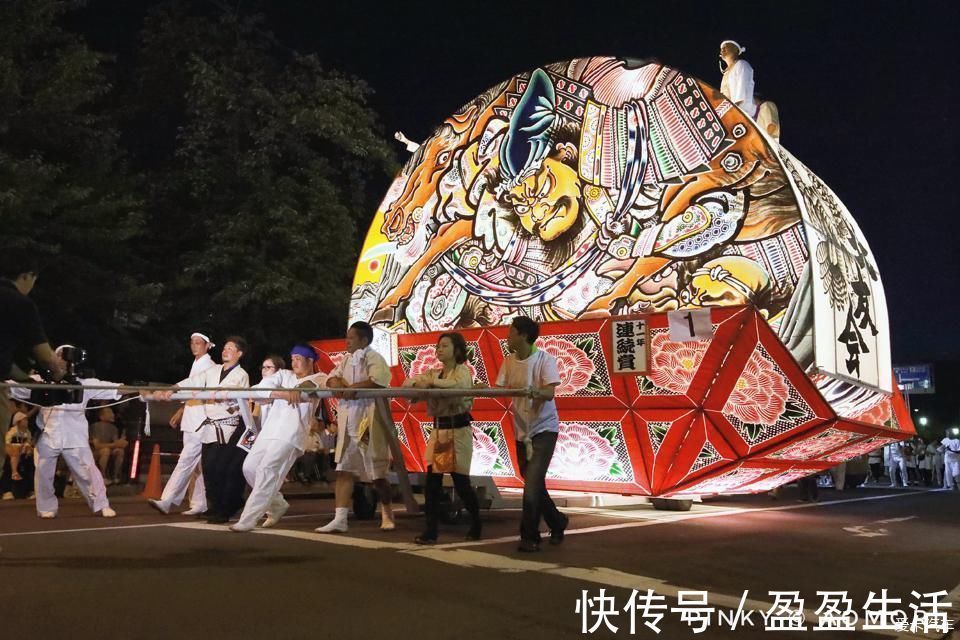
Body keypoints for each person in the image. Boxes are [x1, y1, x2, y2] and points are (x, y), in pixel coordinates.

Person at [150, 336, 250, 524]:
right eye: (224, 347)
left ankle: (224, 508)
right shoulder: (213, 370)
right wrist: (172, 389)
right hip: (210, 425)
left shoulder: (241, 375)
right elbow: (192, 381)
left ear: (239, 353)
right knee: (209, 468)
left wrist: (204, 394)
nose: (225, 350)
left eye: (230, 348)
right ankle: (214, 506)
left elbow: (225, 391)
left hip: (229, 426)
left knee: (221, 468)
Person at [230, 345, 326, 532]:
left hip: (290, 435)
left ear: (310, 360)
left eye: (299, 358)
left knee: (267, 470)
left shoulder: (319, 377)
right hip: (269, 431)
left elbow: (306, 389)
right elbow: (259, 389)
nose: (294, 362)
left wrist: (285, 391)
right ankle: (277, 504)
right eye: (292, 358)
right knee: (249, 468)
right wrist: (281, 393)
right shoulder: (284, 374)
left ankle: (248, 519)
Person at [495, 316, 567, 553]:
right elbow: (497, 388)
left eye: (511, 332)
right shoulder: (509, 361)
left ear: (523, 335)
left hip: (545, 430)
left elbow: (549, 393)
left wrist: (534, 391)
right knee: (533, 484)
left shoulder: (545, 360)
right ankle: (557, 522)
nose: (507, 337)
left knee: (532, 484)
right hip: (522, 431)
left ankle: (530, 536)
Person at [316, 321, 395, 533]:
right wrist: (341, 385)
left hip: (367, 422)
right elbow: (331, 379)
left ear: (364, 340)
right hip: (348, 420)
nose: (347, 342)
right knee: (343, 469)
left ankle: (387, 511)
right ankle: (340, 517)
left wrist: (352, 388)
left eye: (351, 338)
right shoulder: (346, 359)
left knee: (377, 474)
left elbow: (379, 381)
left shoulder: (374, 357)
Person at [403, 332, 482, 544]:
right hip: (440, 432)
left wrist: (429, 385)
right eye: (438, 346)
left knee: (461, 482)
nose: (439, 349)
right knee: (433, 482)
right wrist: (421, 385)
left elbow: (457, 388)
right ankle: (431, 530)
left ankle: (476, 522)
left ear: (457, 350)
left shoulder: (462, 372)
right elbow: (408, 385)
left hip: (459, 431)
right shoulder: (433, 374)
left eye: (445, 346)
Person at [33, 346, 123, 518]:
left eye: (64, 357)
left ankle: (101, 504)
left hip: (75, 437)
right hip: (47, 434)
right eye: (57, 356)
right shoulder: (40, 381)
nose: (60, 359)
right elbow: (15, 386)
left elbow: (114, 388)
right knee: (43, 472)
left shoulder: (83, 384)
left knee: (88, 472)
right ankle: (46, 507)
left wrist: (142, 391)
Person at [0, 249, 65, 468]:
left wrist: (25, 379)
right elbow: (45, 356)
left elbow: (5, 361)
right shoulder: (20, 304)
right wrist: (59, 370)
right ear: (27, 275)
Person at [149, 332, 216, 516]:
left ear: (208, 346)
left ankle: (167, 500)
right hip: (192, 419)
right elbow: (192, 392)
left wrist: (172, 390)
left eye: (198, 343)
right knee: (196, 465)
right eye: (192, 343)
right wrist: (180, 411)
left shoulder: (209, 366)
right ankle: (199, 503)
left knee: (186, 460)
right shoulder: (196, 364)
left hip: (201, 421)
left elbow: (192, 386)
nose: (194, 346)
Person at [89, 405, 127, 485]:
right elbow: (97, 446)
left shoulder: (113, 428)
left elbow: (116, 443)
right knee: (105, 450)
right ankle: (102, 476)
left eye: (112, 412)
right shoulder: (96, 426)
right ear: (101, 416)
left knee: (119, 451)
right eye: (109, 413)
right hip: (93, 452)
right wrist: (114, 444)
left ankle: (115, 476)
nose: (112, 414)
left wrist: (121, 443)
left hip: (108, 449)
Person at [719, 40, 757, 118]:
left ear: (736, 50)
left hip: (741, 115)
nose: (722, 49)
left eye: (726, 47)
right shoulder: (726, 73)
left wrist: (730, 114)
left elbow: (740, 96)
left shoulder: (742, 65)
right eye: (722, 48)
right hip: (729, 115)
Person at [2, 411, 35, 500]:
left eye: (27, 420)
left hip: (23, 455)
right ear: (18, 422)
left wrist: (27, 449)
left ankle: (30, 490)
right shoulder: (12, 432)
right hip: (12, 454)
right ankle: (7, 491)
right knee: (8, 467)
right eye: (24, 420)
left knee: (30, 466)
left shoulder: (27, 432)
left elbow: (28, 442)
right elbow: (7, 443)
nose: (26, 422)